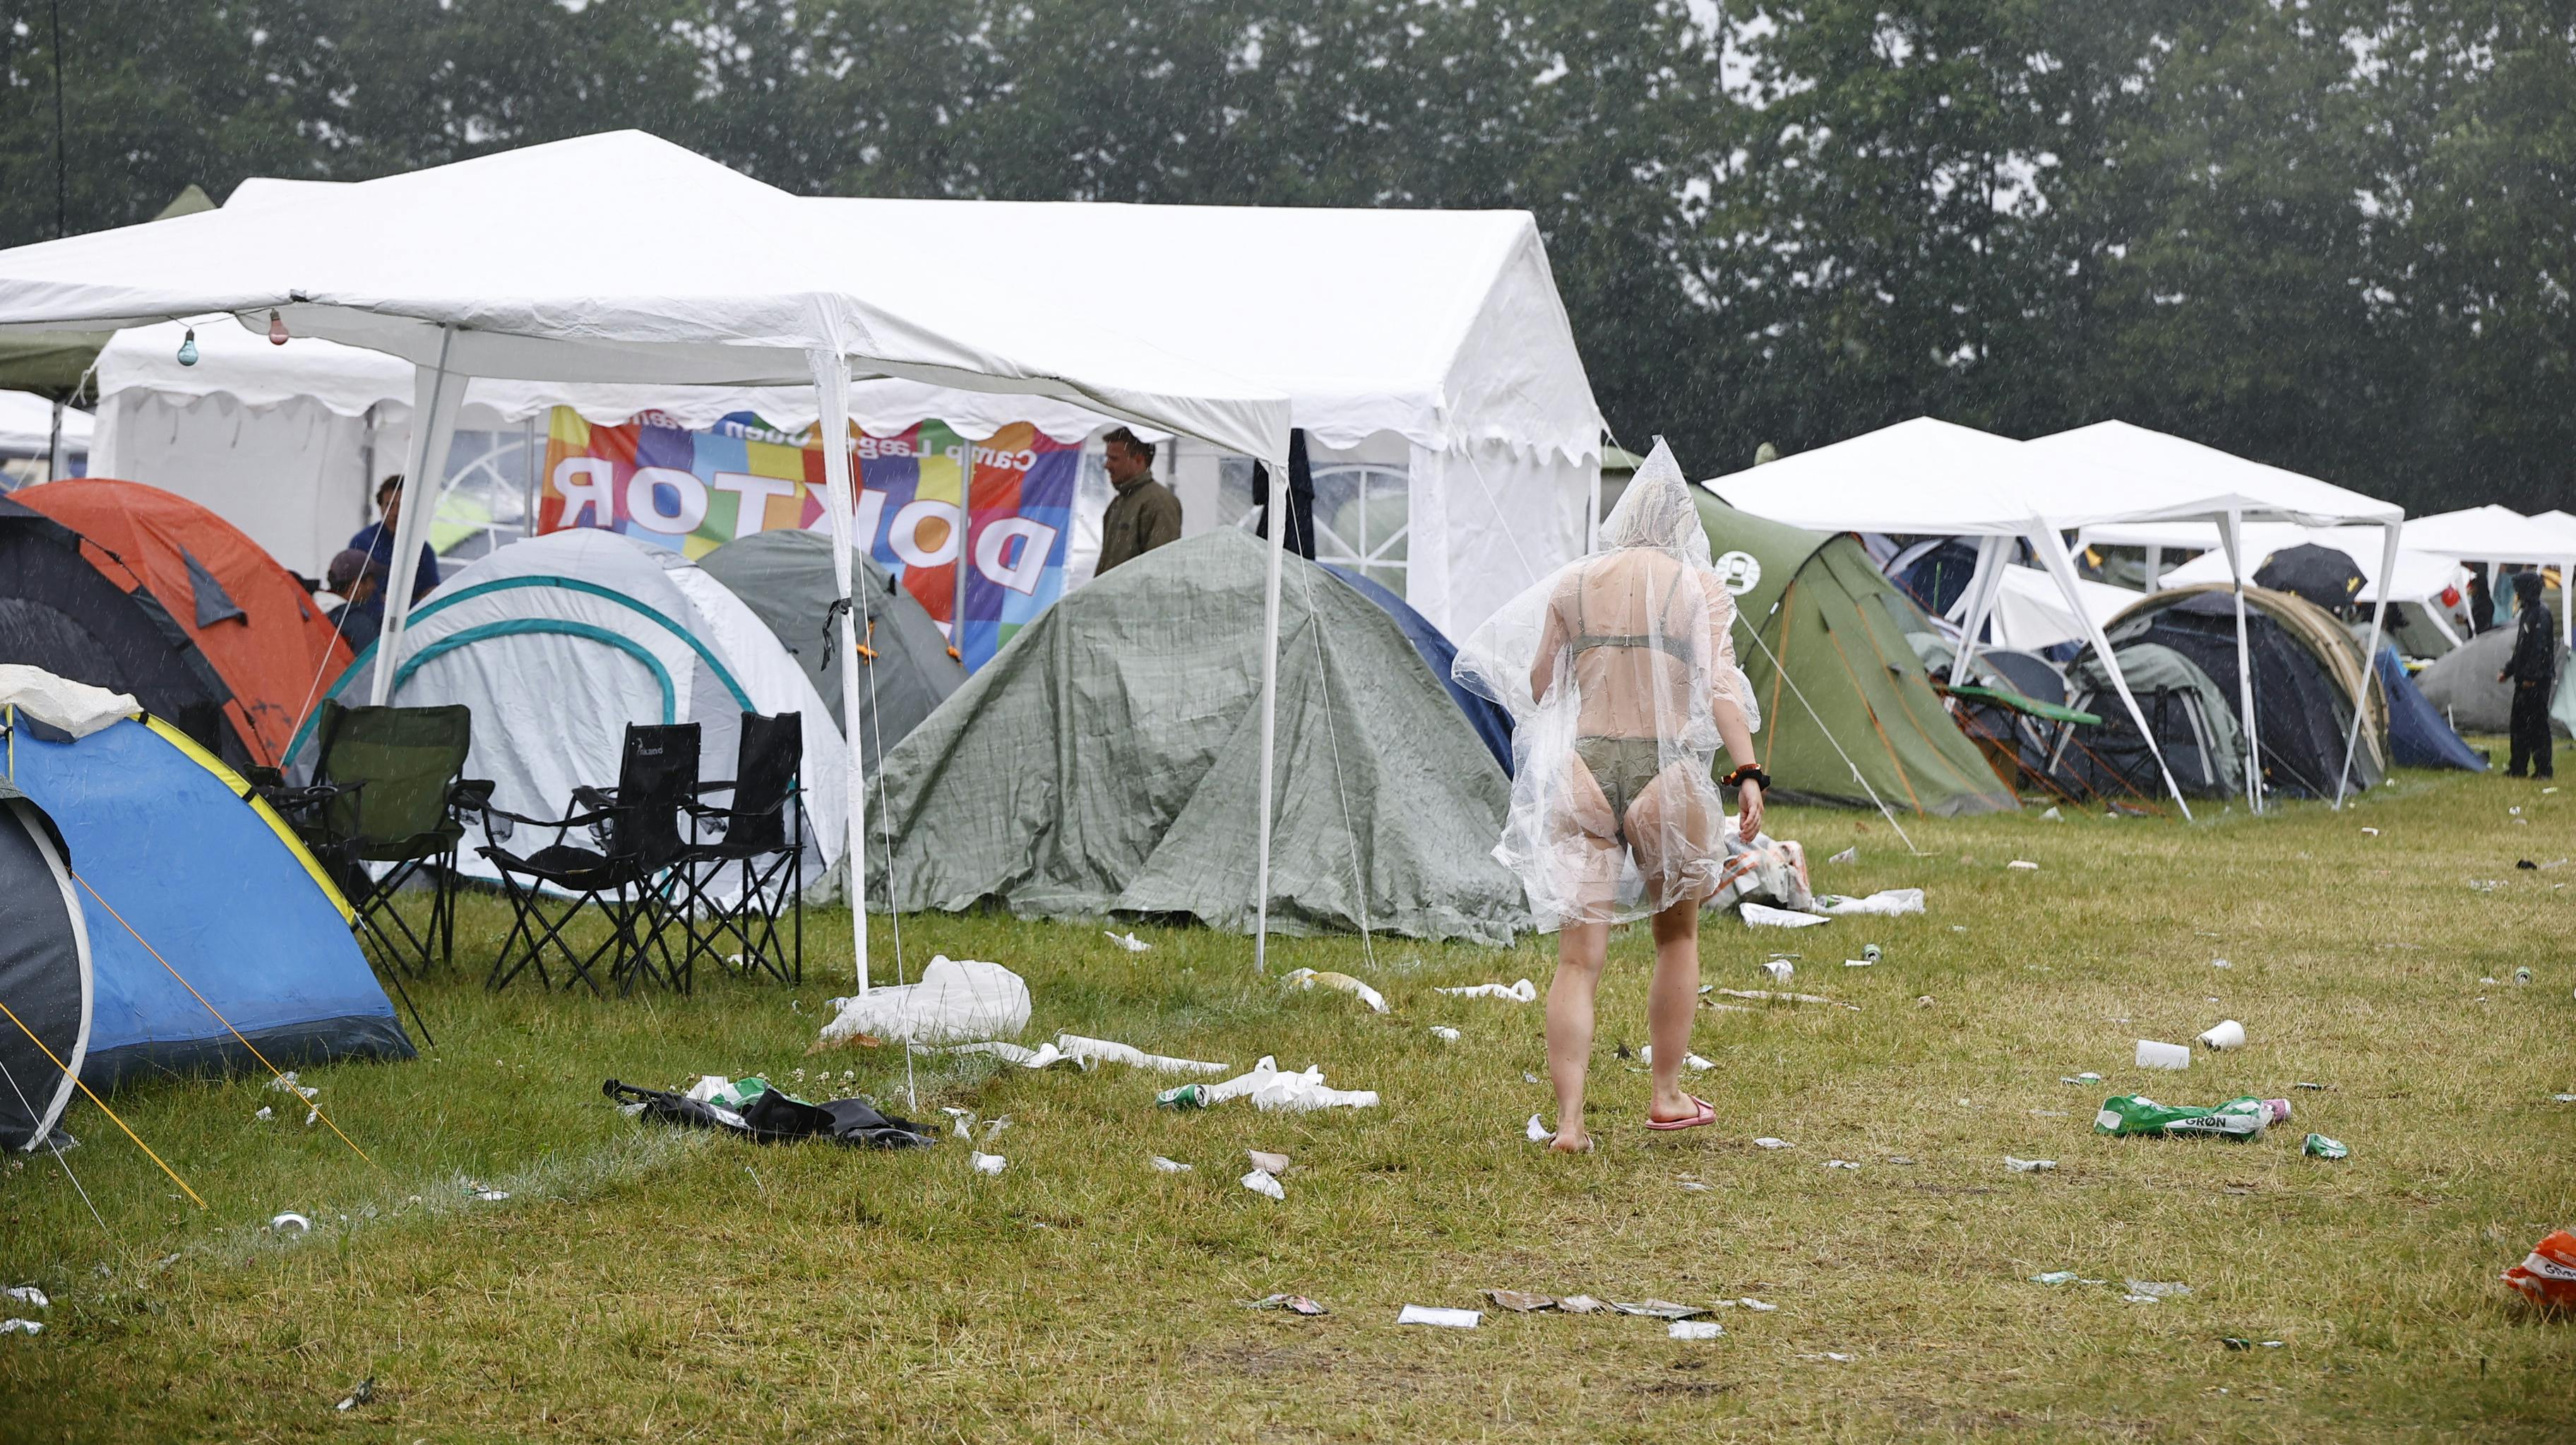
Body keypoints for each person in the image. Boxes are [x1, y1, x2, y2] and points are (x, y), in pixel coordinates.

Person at [1455, 439, 1764, 1153]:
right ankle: (1666, 1095)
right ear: (1680, 521)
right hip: (1665, 773)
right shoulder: (1695, 587)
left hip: (1582, 773)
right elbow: (1720, 690)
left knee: (1576, 959)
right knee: (1677, 935)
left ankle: (1569, 1123)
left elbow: (1539, 687)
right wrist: (1748, 772)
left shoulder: (1574, 583)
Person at [346, 475, 441, 617]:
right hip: (369, 627)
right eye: (389, 506)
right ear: (381, 507)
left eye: (402, 506)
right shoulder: (362, 543)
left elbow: (431, 599)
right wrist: (408, 603)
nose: (395, 513)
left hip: (409, 625)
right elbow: (358, 596)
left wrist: (390, 602)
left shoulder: (423, 550)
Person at [1093, 427, 1181, 576]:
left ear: (1139, 460)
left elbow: (1160, 570)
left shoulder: (1159, 502)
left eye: (1114, 458)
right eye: (1107, 458)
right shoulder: (1119, 502)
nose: (1106, 465)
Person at [2500, 569, 2557, 779]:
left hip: (2537, 682)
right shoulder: (2528, 613)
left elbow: (2539, 650)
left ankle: (2543, 770)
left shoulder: (2541, 614)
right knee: (2519, 725)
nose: (2517, 594)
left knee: (2537, 725)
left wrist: (2532, 678)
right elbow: (2522, 649)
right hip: (2523, 679)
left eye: (2520, 590)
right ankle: (2518, 767)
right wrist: (2509, 670)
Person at [323, 548, 383, 652]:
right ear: (356, 586)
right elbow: (373, 664)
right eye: (371, 581)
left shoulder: (309, 611)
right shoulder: (360, 625)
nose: (374, 587)